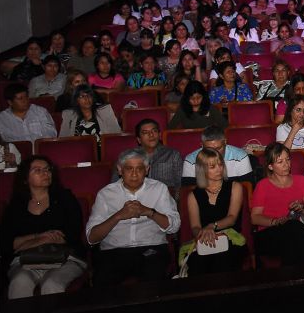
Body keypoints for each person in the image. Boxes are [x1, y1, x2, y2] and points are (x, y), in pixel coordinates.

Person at [85, 149, 181, 286]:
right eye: (129, 169)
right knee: (103, 283)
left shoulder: (159, 189)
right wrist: (118, 216)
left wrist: (149, 212)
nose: (134, 174)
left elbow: (174, 227)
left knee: (153, 281)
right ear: (120, 170)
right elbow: (91, 237)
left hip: (151, 249)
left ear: (147, 170)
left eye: (139, 169)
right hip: (114, 252)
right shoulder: (106, 194)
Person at [0, 156, 87, 299]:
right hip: (25, 260)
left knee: (52, 284)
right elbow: (6, 243)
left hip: (65, 259)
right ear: (25, 178)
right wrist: (40, 237)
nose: (45, 173)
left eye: (47, 169)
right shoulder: (16, 205)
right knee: (19, 282)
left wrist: (27, 242)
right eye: (37, 170)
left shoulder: (65, 198)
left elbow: (72, 234)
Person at [250, 143, 304, 266]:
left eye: (288, 159)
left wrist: (301, 207)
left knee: (293, 230)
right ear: (270, 166)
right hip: (269, 232)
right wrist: (275, 222)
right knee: (293, 229)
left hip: (296, 231)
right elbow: (255, 217)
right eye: (280, 162)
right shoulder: (263, 185)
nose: (286, 164)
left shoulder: (301, 180)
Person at [183, 147, 246, 275]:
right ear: (202, 169)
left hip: (230, 239)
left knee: (222, 260)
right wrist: (203, 234)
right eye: (212, 166)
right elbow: (195, 227)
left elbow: (232, 218)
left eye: (220, 164)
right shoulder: (193, 195)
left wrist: (212, 226)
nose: (219, 169)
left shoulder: (235, 187)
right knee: (197, 263)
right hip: (205, 240)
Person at [181, 126, 254, 187]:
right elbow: (188, 190)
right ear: (202, 145)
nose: (214, 153)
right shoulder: (191, 161)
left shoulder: (240, 157)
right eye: (209, 149)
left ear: (225, 142)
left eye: (218, 148)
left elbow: (247, 188)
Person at [124, 118, 182, 192]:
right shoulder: (128, 157)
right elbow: (115, 186)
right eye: (145, 132)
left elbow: (180, 186)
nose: (151, 135)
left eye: (154, 131)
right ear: (139, 139)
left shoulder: (173, 155)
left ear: (159, 135)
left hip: (164, 197)